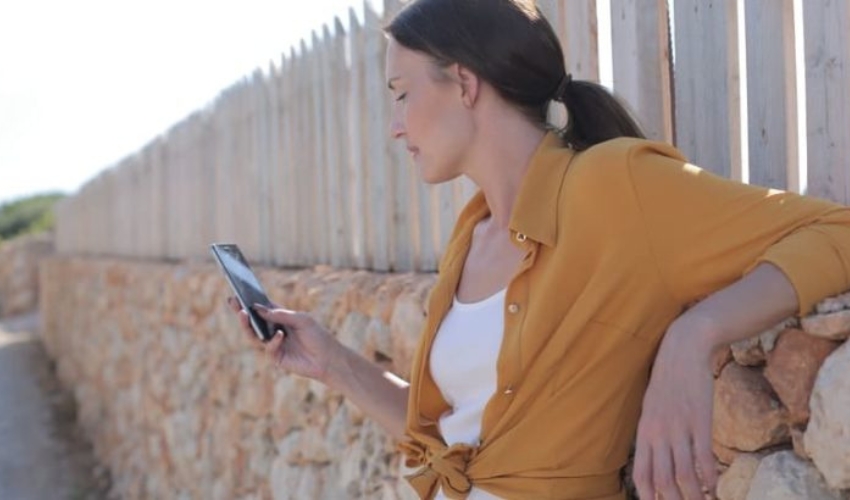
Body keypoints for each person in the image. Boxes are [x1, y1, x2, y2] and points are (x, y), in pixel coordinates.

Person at [226, 0, 850, 499]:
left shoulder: (613, 186)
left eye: (401, 92)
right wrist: (331, 361)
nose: (395, 125)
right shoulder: (471, 237)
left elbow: (837, 230)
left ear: (464, 83)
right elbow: (454, 449)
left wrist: (694, 335)